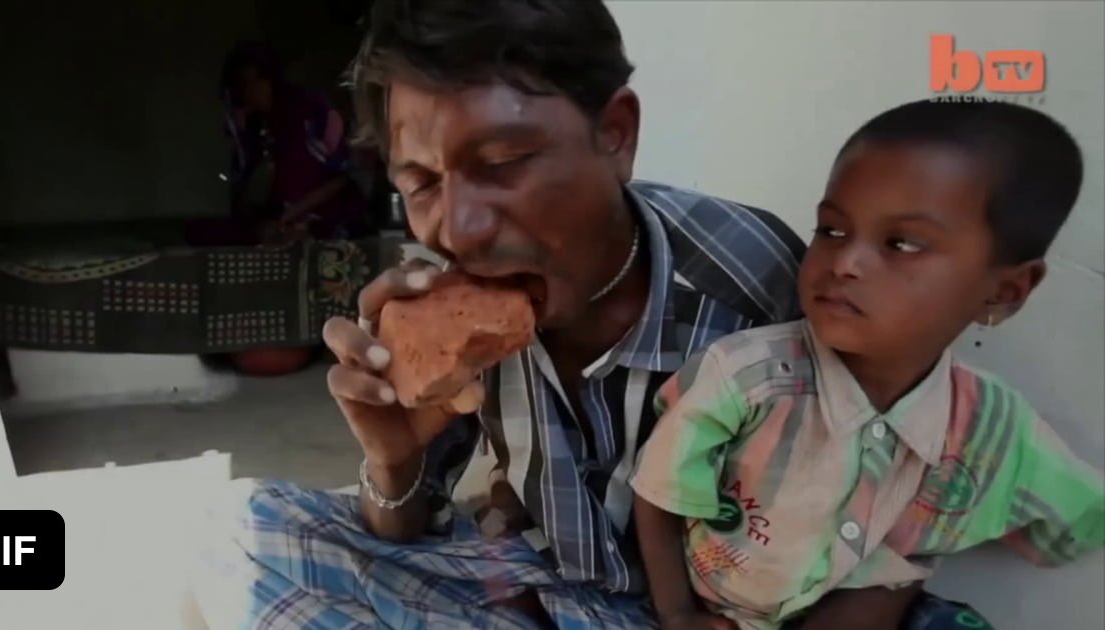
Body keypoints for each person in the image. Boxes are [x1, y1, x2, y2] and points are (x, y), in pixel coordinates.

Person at [187, 2, 950, 628]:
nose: (458, 229)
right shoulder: (448, 309)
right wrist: (395, 458)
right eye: (420, 182)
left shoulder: (758, 292)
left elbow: (883, 512)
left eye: (502, 164)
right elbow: (406, 530)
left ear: (616, 134)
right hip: (534, 588)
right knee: (242, 538)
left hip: (716, 614)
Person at [631, 100, 1105, 630]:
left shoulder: (993, 429)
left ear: (1006, 290)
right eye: (831, 230)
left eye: (901, 243)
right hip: (717, 608)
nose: (845, 263)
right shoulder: (745, 375)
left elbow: (1081, 515)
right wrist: (676, 614)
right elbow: (658, 493)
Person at [186, 42, 371, 247]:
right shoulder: (257, 128)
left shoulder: (310, 111)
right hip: (283, 227)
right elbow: (246, 189)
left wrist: (291, 215)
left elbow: (344, 176)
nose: (246, 92)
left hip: (332, 226)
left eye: (248, 83)